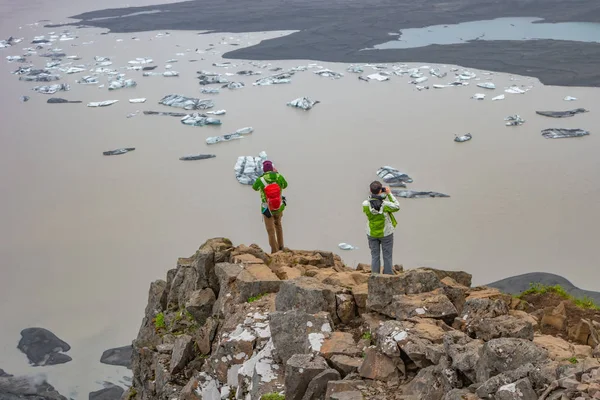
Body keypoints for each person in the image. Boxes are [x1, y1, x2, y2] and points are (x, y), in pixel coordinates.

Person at [362, 181, 400, 274]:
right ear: (380, 190)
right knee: (387, 256)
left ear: (370, 190)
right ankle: (387, 276)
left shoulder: (365, 204)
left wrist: (378, 196)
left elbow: (372, 202)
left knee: (375, 256)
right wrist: (389, 194)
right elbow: (397, 206)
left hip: (372, 233)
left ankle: (375, 276)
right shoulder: (385, 205)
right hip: (386, 233)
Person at [252, 160, 288, 253]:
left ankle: (274, 251)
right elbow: (285, 185)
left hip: (267, 208)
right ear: (272, 168)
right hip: (278, 206)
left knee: (270, 230)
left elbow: (254, 187)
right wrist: (277, 174)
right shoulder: (279, 177)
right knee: (278, 225)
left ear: (264, 170)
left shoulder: (261, 179)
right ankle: (281, 247)